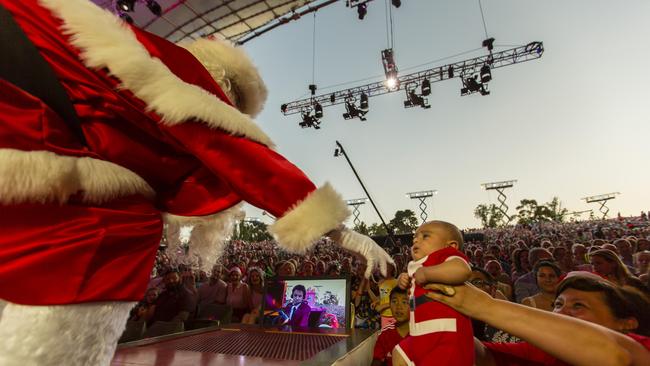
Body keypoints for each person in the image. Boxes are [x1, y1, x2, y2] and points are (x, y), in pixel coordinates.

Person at [0, 1, 394, 364]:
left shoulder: (130, 54)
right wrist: (343, 234)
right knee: (123, 224)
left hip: (25, 132)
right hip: (24, 109)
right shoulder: (187, 79)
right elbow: (249, 160)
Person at [423, 273, 650, 366]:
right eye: (557, 305)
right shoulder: (543, 353)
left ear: (626, 323)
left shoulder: (641, 348)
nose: (561, 314)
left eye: (578, 306)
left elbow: (615, 354)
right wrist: (442, 311)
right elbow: (482, 356)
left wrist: (484, 306)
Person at [393, 221, 474, 366]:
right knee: (399, 354)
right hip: (419, 335)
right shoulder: (416, 266)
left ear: (450, 246)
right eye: (414, 238)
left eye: (425, 236)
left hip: (445, 336)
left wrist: (428, 273)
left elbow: (462, 270)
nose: (416, 240)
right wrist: (402, 280)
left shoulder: (445, 256)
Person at [372, 287, 410, 366]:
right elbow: (376, 361)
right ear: (389, 305)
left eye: (405, 302)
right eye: (394, 301)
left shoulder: (421, 333)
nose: (399, 307)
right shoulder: (385, 334)